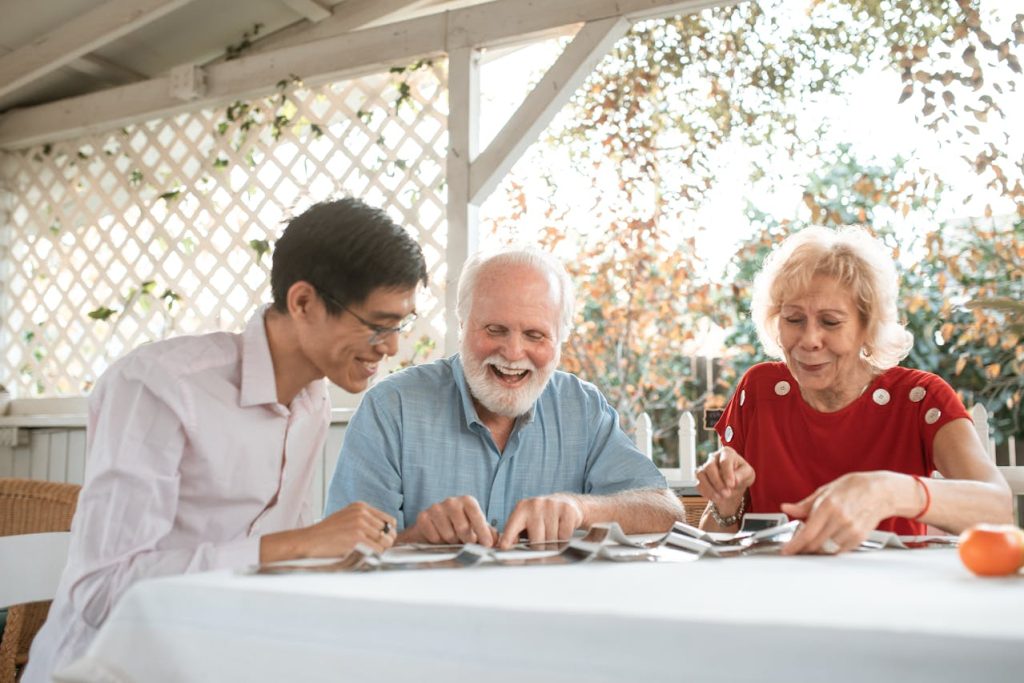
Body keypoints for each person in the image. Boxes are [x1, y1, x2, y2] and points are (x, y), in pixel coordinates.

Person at [24, 198, 428, 681]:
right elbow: (101, 592)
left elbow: (292, 561)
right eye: (377, 325)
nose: (391, 347)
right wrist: (296, 545)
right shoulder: (159, 386)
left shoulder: (313, 400)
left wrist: (392, 547)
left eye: (400, 325)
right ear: (303, 302)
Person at [325, 248, 683, 549]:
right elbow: (342, 554)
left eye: (535, 335)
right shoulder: (392, 408)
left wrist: (580, 508)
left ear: (561, 340)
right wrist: (416, 537)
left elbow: (665, 510)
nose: (513, 353)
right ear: (462, 324)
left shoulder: (582, 408)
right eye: (495, 330)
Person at [696, 226, 1012, 554]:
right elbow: (716, 542)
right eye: (793, 319)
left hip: (889, 597)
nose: (809, 340)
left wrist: (890, 491)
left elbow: (999, 510)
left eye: (830, 322)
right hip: (778, 596)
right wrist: (726, 502)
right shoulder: (759, 390)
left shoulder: (919, 398)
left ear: (868, 327)